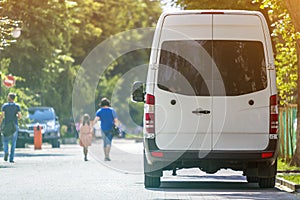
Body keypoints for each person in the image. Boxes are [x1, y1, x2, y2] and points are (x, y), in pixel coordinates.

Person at [0, 93, 22, 163]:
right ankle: (11, 158)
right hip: (14, 125)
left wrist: (0, 124)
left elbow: (2, 116)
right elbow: (19, 116)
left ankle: (6, 152)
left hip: (6, 125)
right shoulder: (17, 106)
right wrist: (16, 116)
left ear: (9, 97)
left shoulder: (5, 106)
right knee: (13, 142)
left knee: (5, 140)